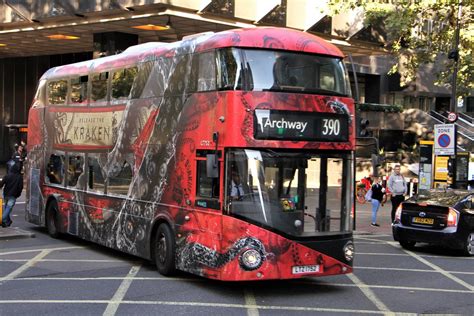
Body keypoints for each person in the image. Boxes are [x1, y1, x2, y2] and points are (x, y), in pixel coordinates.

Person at [0, 161, 24, 227]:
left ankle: (7, 222)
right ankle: (2, 219)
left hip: (6, 194)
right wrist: (18, 194)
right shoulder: (19, 177)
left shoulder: (8, 175)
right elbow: (20, 187)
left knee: (6, 208)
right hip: (13, 195)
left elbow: (2, 183)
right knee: (8, 208)